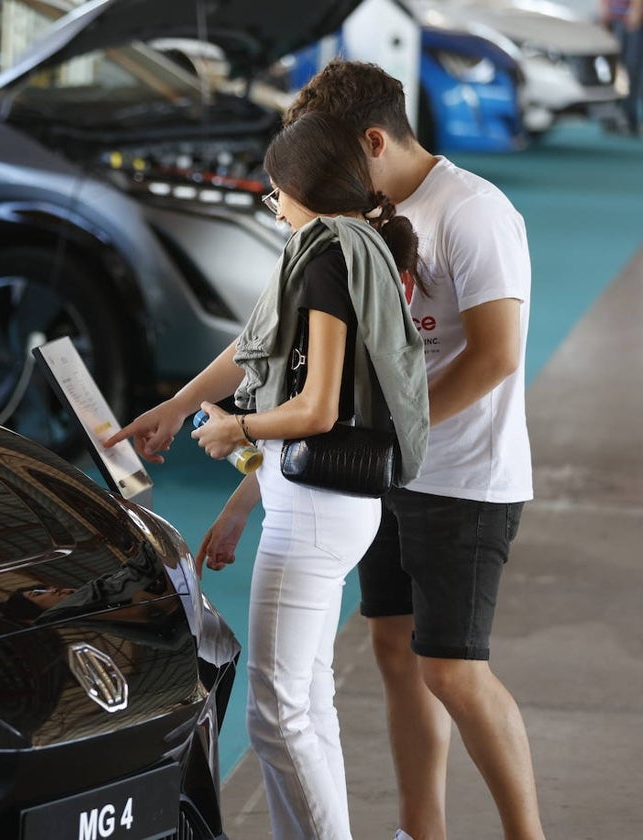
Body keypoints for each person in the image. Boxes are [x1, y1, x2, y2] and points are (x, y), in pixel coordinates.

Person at [107, 110, 429, 840]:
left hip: (315, 508)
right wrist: (180, 403)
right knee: (306, 702)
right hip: (331, 505)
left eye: (274, 188)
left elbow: (315, 407)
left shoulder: (323, 258)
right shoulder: (352, 246)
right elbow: (259, 352)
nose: (272, 201)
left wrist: (235, 429)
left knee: (276, 713)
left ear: (301, 184)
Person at [276, 59, 543, 840]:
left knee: (453, 670)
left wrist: (395, 427)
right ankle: (420, 833)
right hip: (383, 470)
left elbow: (496, 356)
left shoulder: (473, 212)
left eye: (334, 159)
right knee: (394, 650)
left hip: (467, 479)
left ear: (372, 138)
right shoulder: (367, 213)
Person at [601, 0, 643, 135]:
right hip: (615, 19)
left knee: (631, 70)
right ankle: (612, 116)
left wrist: (636, 10)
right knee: (612, 69)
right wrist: (603, 10)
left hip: (632, 20)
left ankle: (629, 118)